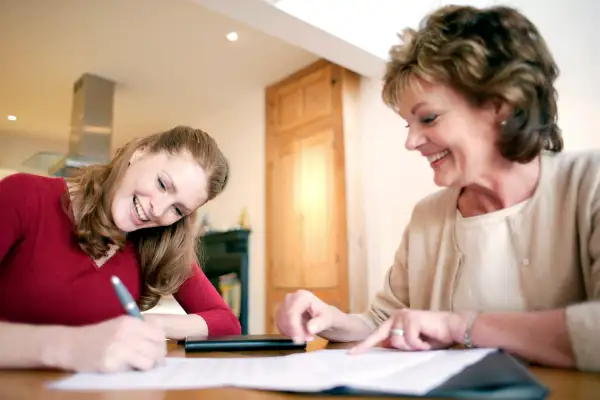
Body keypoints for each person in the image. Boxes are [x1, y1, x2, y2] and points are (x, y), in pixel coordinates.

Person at [276, 5, 600, 372]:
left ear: (501, 105)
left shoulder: (590, 184)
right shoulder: (428, 216)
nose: (411, 142)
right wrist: (332, 320)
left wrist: (461, 326)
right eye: (407, 124)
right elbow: (385, 320)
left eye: (428, 118)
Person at [0, 125, 241, 373]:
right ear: (141, 152)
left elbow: (227, 322)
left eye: (178, 210)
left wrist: (148, 324)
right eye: (162, 184)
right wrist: (72, 347)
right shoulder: (23, 195)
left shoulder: (156, 244)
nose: (157, 211)